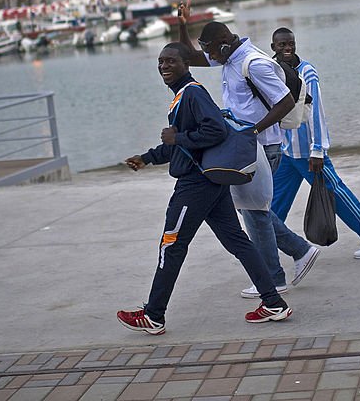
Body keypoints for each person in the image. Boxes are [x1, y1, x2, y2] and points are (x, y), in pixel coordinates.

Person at [116, 42, 292, 335]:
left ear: (186, 63)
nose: (164, 67)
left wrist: (179, 137)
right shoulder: (183, 97)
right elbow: (182, 147)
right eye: (160, 62)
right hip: (211, 183)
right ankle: (274, 303)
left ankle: (154, 315)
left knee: (171, 245)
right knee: (237, 241)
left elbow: (214, 131)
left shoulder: (193, 94)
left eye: (171, 61)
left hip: (195, 187)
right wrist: (147, 158)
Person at [177, 2, 321, 299]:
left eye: (212, 50)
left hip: (263, 146)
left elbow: (283, 103)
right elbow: (189, 57)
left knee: (255, 213)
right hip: (247, 146)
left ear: (225, 43)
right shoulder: (228, 57)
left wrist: (252, 130)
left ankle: (274, 278)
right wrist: (183, 24)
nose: (210, 56)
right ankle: (300, 251)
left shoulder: (253, 63)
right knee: (255, 211)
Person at [270, 27, 360, 259]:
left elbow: (316, 112)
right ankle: (265, 247)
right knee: (272, 205)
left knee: (335, 194)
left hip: (308, 152)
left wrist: (318, 150)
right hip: (288, 153)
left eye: (291, 43)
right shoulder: (272, 71)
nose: (287, 48)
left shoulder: (307, 72)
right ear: (273, 47)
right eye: (282, 44)